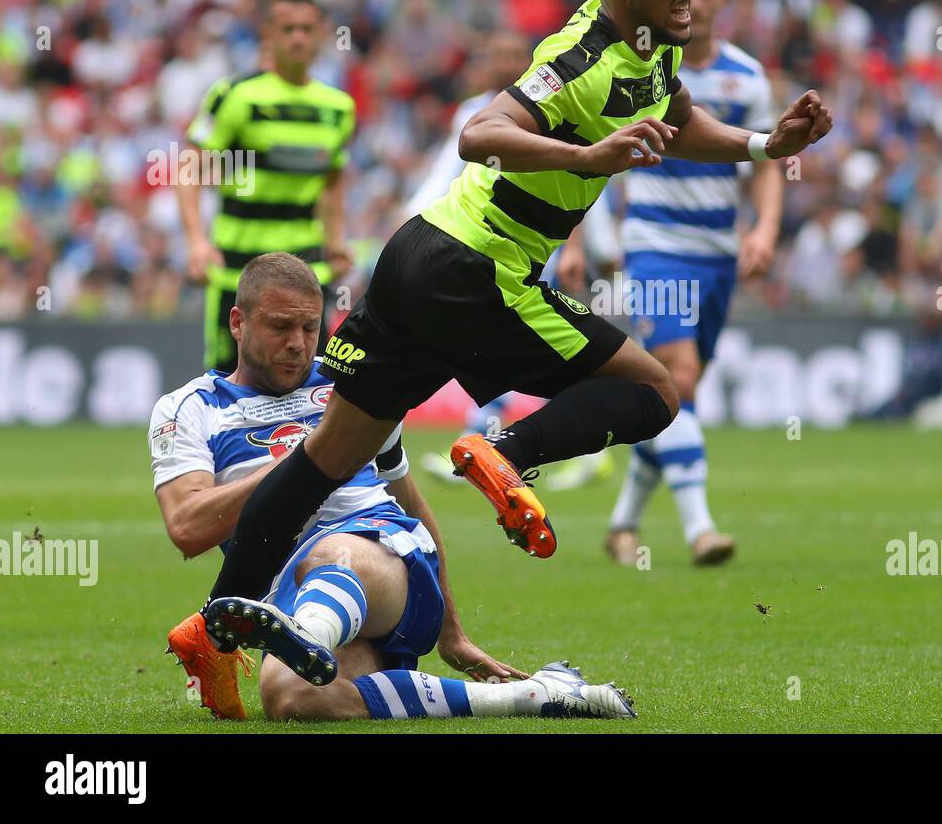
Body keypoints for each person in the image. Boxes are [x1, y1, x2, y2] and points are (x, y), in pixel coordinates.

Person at [179, 0, 832, 685]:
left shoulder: (658, 47)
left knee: (325, 458)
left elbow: (677, 116)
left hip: (415, 259)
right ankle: (505, 451)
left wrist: (766, 144)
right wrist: (587, 160)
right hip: (476, 270)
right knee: (655, 391)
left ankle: (213, 622)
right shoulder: (582, 54)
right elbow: (479, 133)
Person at [160, 253, 634, 721]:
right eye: (281, 327)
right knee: (292, 697)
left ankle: (309, 633)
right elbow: (188, 526)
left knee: (329, 555)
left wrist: (452, 633)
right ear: (238, 323)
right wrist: (307, 460)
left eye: (310, 328)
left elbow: (406, 496)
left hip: (384, 556)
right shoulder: (191, 408)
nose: (298, 344)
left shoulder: (351, 386)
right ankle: (537, 695)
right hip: (291, 595)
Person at [597, 0, 784, 566]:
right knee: (677, 374)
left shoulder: (746, 77)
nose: (694, 0)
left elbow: (767, 163)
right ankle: (701, 528)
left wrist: (765, 230)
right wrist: (582, 240)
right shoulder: (644, 70)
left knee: (677, 394)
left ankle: (623, 523)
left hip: (718, 254)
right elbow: (589, 149)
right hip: (654, 246)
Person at [407, 31, 615, 491]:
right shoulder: (474, 113)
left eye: (509, 53)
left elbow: (576, 182)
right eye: (494, 53)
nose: (502, 61)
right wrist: (415, 218)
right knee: (495, 346)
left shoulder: (549, 101)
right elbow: (448, 171)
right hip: (486, 243)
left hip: (544, 245)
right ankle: (490, 443)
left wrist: (579, 247)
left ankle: (502, 445)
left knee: (540, 351)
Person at [178, 0, 356, 373]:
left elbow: (333, 179)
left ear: (322, 34)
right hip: (238, 270)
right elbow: (189, 167)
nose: (297, 37)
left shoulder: (338, 107)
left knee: (312, 388)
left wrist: (336, 239)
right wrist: (195, 241)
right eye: (287, 28)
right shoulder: (236, 95)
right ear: (268, 34)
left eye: (307, 29)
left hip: (307, 270)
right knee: (229, 384)